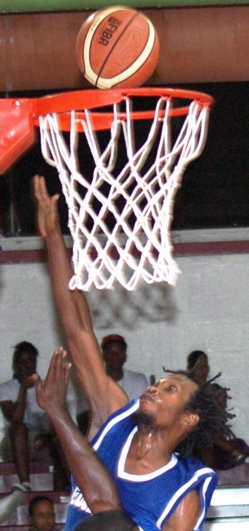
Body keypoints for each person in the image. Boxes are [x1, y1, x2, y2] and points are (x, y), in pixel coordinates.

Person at [34, 175, 233, 531]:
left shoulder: (182, 494)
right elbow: (79, 330)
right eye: (158, 383)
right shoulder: (113, 415)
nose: (154, 388)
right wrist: (52, 239)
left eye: (170, 389)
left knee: (112, 522)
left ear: (188, 419)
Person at [0, 341, 70, 491]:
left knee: (59, 439)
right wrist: (23, 389)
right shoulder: (6, 388)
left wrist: (47, 438)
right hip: (15, 445)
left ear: (35, 362)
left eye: (30, 360)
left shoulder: (46, 387)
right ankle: (25, 483)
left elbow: (59, 422)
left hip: (42, 442)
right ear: (15, 364)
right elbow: (16, 419)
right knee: (19, 428)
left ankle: (67, 487)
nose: (26, 365)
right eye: (22, 361)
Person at [186, 350, 248, 469]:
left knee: (207, 438)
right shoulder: (184, 392)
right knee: (203, 434)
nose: (204, 370)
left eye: (206, 366)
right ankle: (231, 451)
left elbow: (219, 419)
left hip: (213, 436)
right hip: (190, 436)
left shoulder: (216, 391)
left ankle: (226, 451)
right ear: (190, 368)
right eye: (199, 367)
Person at [101, 334, 148, 401]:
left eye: (119, 352)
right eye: (110, 352)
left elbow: (140, 409)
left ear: (125, 356)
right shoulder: (93, 382)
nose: (115, 356)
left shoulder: (138, 380)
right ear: (103, 356)